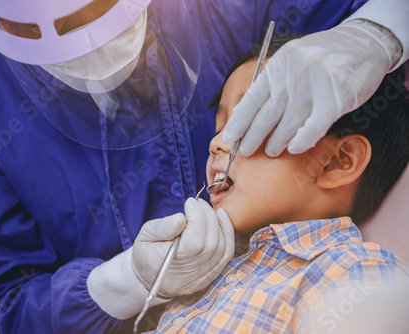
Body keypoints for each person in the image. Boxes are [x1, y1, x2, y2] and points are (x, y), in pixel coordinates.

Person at [0, 0, 408, 333]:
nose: (218, 144)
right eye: (215, 122)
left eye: (248, 115)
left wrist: (378, 32)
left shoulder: (347, 278)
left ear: (341, 159)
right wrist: (123, 284)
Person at [146, 35, 409, 333]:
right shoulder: (198, 281)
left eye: (249, 123)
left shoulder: (354, 273)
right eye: (220, 128)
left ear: (337, 161)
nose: (216, 144)